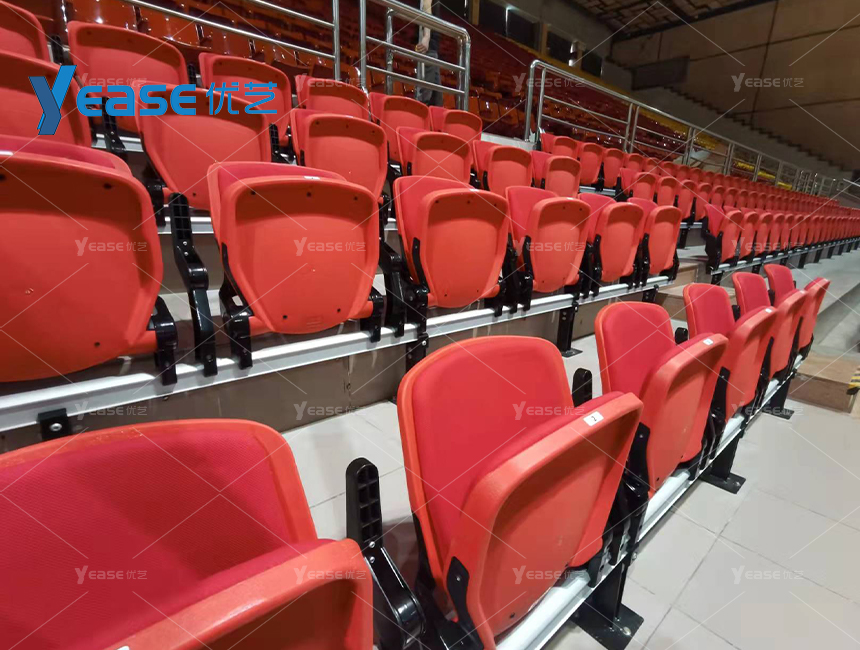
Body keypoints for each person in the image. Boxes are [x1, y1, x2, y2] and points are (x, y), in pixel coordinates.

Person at [415, 0, 443, 107]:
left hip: (433, 48)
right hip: (429, 48)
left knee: (437, 101)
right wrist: (426, 36)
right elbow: (426, 5)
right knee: (425, 97)